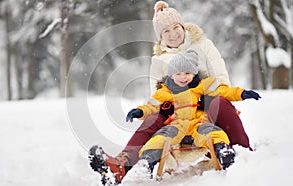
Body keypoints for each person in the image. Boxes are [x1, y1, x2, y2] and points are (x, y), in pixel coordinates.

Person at [89, 1, 253, 184]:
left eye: (175, 27)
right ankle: (120, 166)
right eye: (166, 31)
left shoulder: (204, 45)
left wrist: (203, 98)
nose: (173, 34)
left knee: (219, 102)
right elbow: (156, 95)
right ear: (160, 36)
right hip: (177, 115)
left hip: (208, 108)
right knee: (153, 117)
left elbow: (222, 80)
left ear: (182, 26)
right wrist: (158, 108)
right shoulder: (159, 60)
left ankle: (242, 153)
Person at [122, 51, 260, 181]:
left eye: (188, 73)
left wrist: (242, 93)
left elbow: (224, 91)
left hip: (197, 124)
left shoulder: (203, 85)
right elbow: (151, 105)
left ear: (194, 73)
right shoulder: (164, 91)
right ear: (171, 75)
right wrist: (140, 111)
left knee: (214, 133)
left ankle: (223, 151)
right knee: (158, 139)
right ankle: (146, 162)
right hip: (175, 125)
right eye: (178, 73)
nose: (183, 77)